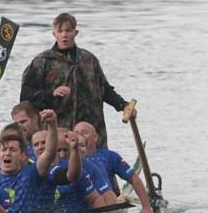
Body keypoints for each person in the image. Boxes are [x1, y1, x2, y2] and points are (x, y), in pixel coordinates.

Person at [20, 12, 129, 149]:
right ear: (54, 34)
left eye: (68, 30)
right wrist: (51, 93)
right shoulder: (42, 62)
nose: (64, 35)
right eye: (60, 31)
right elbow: (26, 95)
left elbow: (105, 90)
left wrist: (123, 105)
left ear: (75, 33)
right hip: (57, 132)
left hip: (90, 130)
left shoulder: (89, 60)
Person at [0, 109, 80, 213]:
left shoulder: (31, 173)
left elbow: (50, 153)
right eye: (4, 150)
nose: (7, 153)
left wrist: (52, 125)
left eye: (13, 150)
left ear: (23, 156)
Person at [74, 121, 154, 213]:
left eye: (84, 132)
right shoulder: (68, 159)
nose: (80, 136)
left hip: (107, 207)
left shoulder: (109, 156)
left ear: (95, 137)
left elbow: (135, 179)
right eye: (77, 133)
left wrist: (146, 208)